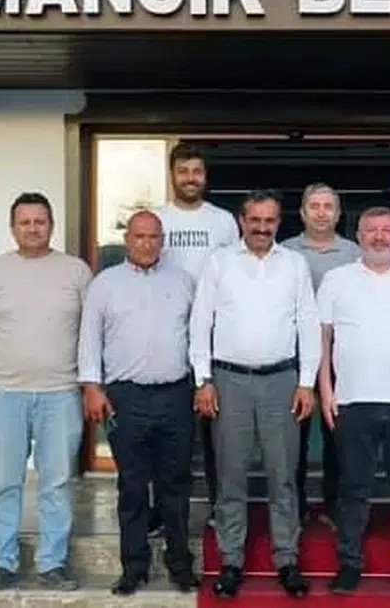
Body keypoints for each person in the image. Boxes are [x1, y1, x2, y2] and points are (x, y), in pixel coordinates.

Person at [189, 189, 320, 599]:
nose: (262, 228)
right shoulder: (220, 262)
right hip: (229, 381)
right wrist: (203, 379)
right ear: (242, 221)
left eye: (269, 220)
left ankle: (287, 559)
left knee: (284, 476)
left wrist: (307, 381)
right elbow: (200, 322)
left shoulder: (294, 264)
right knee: (231, 476)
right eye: (255, 220)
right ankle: (231, 561)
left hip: (282, 380)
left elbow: (308, 323)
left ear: (279, 222)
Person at [0, 192, 92, 592]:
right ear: (13, 227)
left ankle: (52, 563)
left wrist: (91, 386)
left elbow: (93, 334)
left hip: (60, 394)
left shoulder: (76, 272)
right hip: (5, 395)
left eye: (40, 221)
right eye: (25, 222)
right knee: (5, 482)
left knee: (57, 483)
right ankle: (3, 562)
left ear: (51, 225)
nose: (33, 228)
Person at [77, 211, 201, 596]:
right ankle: (134, 566)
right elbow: (89, 338)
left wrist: (202, 383)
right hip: (125, 397)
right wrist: (92, 387)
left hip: (175, 394)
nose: (147, 244)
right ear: (127, 240)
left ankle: (180, 564)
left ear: (163, 241)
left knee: (175, 484)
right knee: (132, 484)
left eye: (154, 237)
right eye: (140, 236)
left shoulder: (183, 282)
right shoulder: (104, 284)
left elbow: (198, 336)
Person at [318, 206, 390, 597]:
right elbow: (323, 340)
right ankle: (350, 563)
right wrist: (326, 391)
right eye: (371, 230)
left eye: (387, 230)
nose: (379, 237)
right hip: (353, 401)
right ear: (358, 236)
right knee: (353, 487)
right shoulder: (337, 280)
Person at [154, 142, 240, 534]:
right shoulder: (158, 219)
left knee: (216, 433)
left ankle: (221, 507)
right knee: (170, 434)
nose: (191, 178)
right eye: (183, 170)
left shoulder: (223, 222)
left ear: (205, 176)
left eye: (197, 171)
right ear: (172, 174)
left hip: (216, 337)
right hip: (167, 336)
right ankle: (165, 512)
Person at [280, 183, 360, 528]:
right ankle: (293, 507)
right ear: (302, 213)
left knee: (338, 434)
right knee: (291, 438)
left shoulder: (355, 253)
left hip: (341, 356)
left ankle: (335, 505)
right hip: (292, 355)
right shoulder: (285, 251)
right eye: (314, 206)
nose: (322, 213)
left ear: (338, 214)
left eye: (329, 206)